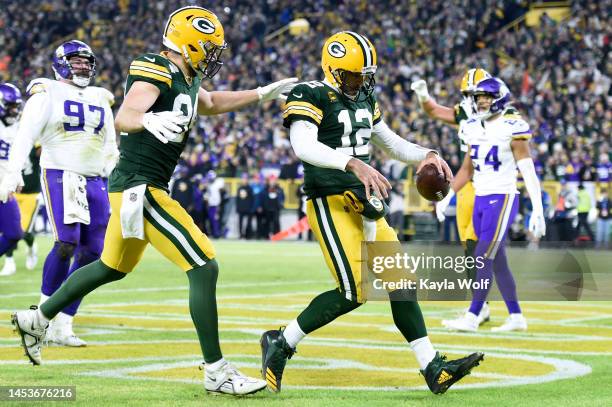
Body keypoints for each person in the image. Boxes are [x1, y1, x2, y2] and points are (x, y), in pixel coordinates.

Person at [9, 6, 296, 396]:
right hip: (141, 187)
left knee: (110, 267)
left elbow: (209, 103)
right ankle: (216, 370)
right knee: (204, 266)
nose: (212, 56)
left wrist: (260, 94)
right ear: (185, 43)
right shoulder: (155, 67)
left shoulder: (186, 77)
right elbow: (125, 114)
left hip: (138, 185)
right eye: (207, 48)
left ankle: (37, 318)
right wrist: (146, 120)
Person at [260, 31, 483, 395]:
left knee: (403, 285)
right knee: (353, 291)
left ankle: (432, 366)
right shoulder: (310, 93)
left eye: (366, 74)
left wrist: (425, 153)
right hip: (330, 200)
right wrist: (352, 163)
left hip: (367, 202)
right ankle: (280, 343)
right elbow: (302, 145)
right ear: (333, 71)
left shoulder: (364, 97)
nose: (362, 81)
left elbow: (389, 141)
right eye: (353, 74)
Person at [0, 41, 119, 347]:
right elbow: (26, 135)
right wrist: (12, 173)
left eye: (86, 62)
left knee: (95, 252)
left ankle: (64, 323)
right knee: (66, 242)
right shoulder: (47, 92)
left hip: (96, 179)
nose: (82, 67)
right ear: (62, 63)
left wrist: (116, 172)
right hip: (60, 173)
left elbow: (109, 146)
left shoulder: (99, 97)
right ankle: (41, 317)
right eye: (76, 62)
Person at [439, 77, 546, 332]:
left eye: (486, 97)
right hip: (481, 198)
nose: (482, 102)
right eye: (478, 98)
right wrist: (446, 195)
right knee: (498, 261)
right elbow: (467, 169)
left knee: (481, 256)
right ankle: (516, 316)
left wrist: (538, 208)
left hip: (503, 196)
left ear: (499, 98)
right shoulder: (472, 127)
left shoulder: (512, 126)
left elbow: (527, 170)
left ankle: (473, 316)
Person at [411, 69, 492, 325]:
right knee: (468, 247)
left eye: (476, 94)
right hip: (468, 183)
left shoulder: (496, 116)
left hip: (489, 183)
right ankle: (481, 306)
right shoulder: (466, 113)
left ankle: (479, 308)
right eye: (468, 94)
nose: (472, 100)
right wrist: (423, 95)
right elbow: (434, 111)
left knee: (477, 245)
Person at [1, 145, 42, 276]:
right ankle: (9, 261)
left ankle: (31, 246)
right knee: (10, 228)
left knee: (23, 231)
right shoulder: (8, 139)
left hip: (31, 193)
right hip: (12, 191)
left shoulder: (31, 140)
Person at [0, 83, 25, 273]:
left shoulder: (17, 127)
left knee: (14, 234)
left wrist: (16, 178)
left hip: (4, 188)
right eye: (10, 106)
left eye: (16, 106)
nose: (14, 111)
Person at [236, 174, 254, 239]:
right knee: (240, 223)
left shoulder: (250, 188)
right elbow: (237, 199)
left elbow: (252, 199)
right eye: (243, 179)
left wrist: (251, 208)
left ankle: (247, 235)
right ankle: (241, 235)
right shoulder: (239, 188)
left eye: (245, 179)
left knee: (248, 223)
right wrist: (237, 208)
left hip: (248, 208)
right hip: (241, 208)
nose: (244, 180)